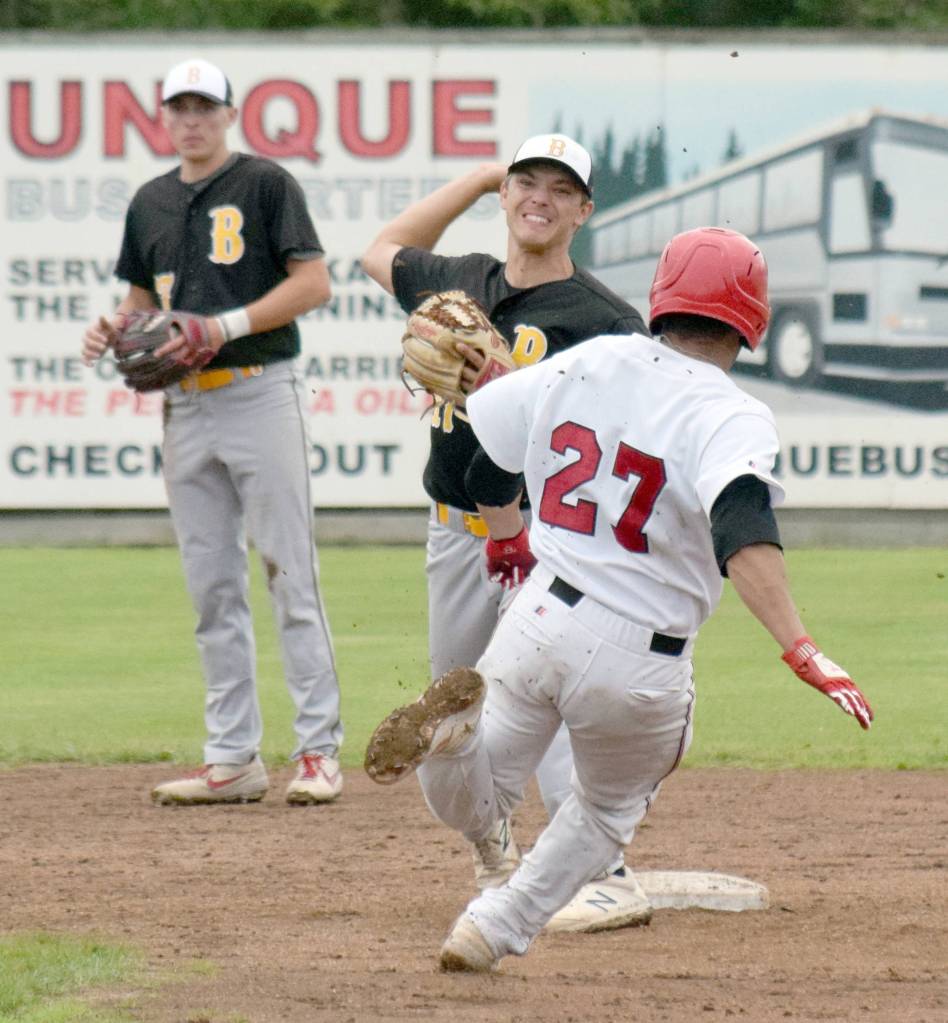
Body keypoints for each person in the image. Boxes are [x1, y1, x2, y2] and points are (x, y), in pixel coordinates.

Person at [364, 226, 874, 972]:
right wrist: (801, 644)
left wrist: (506, 511)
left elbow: (487, 464)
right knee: (604, 812)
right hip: (639, 655)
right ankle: (494, 925)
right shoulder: (731, 414)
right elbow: (742, 530)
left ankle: (452, 741)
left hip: (539, 616)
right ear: (751, 317)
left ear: (661, 297)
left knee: (483, 794)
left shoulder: (591, 360)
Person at [361, 134, 654, 929]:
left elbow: (623, 436)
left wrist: (515, 389)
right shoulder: (461, 280)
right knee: (453, 709)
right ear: (505, 194)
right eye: (527, 181)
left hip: (553, 539)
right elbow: (381, 250)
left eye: (562, 189)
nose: (540, 197)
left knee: (556, 689)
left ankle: (606, 870)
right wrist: (482, 174)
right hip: (455, 531)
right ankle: (496, 852)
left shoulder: (607, 321)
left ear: (584, 211)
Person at [80, 57, 343, 806]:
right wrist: (114, 327)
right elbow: (141, 301)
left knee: (289, 573)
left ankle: (318, 750)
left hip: (261, 390)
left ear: (230, 113)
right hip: (186, 405)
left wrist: (220, 324)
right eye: (179, 107)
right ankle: (233, 756)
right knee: (212, 587)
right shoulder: (151, 201)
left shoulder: (264, 184)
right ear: (164, 117)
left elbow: (314, 282)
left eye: (205, 105)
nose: (192, 118)